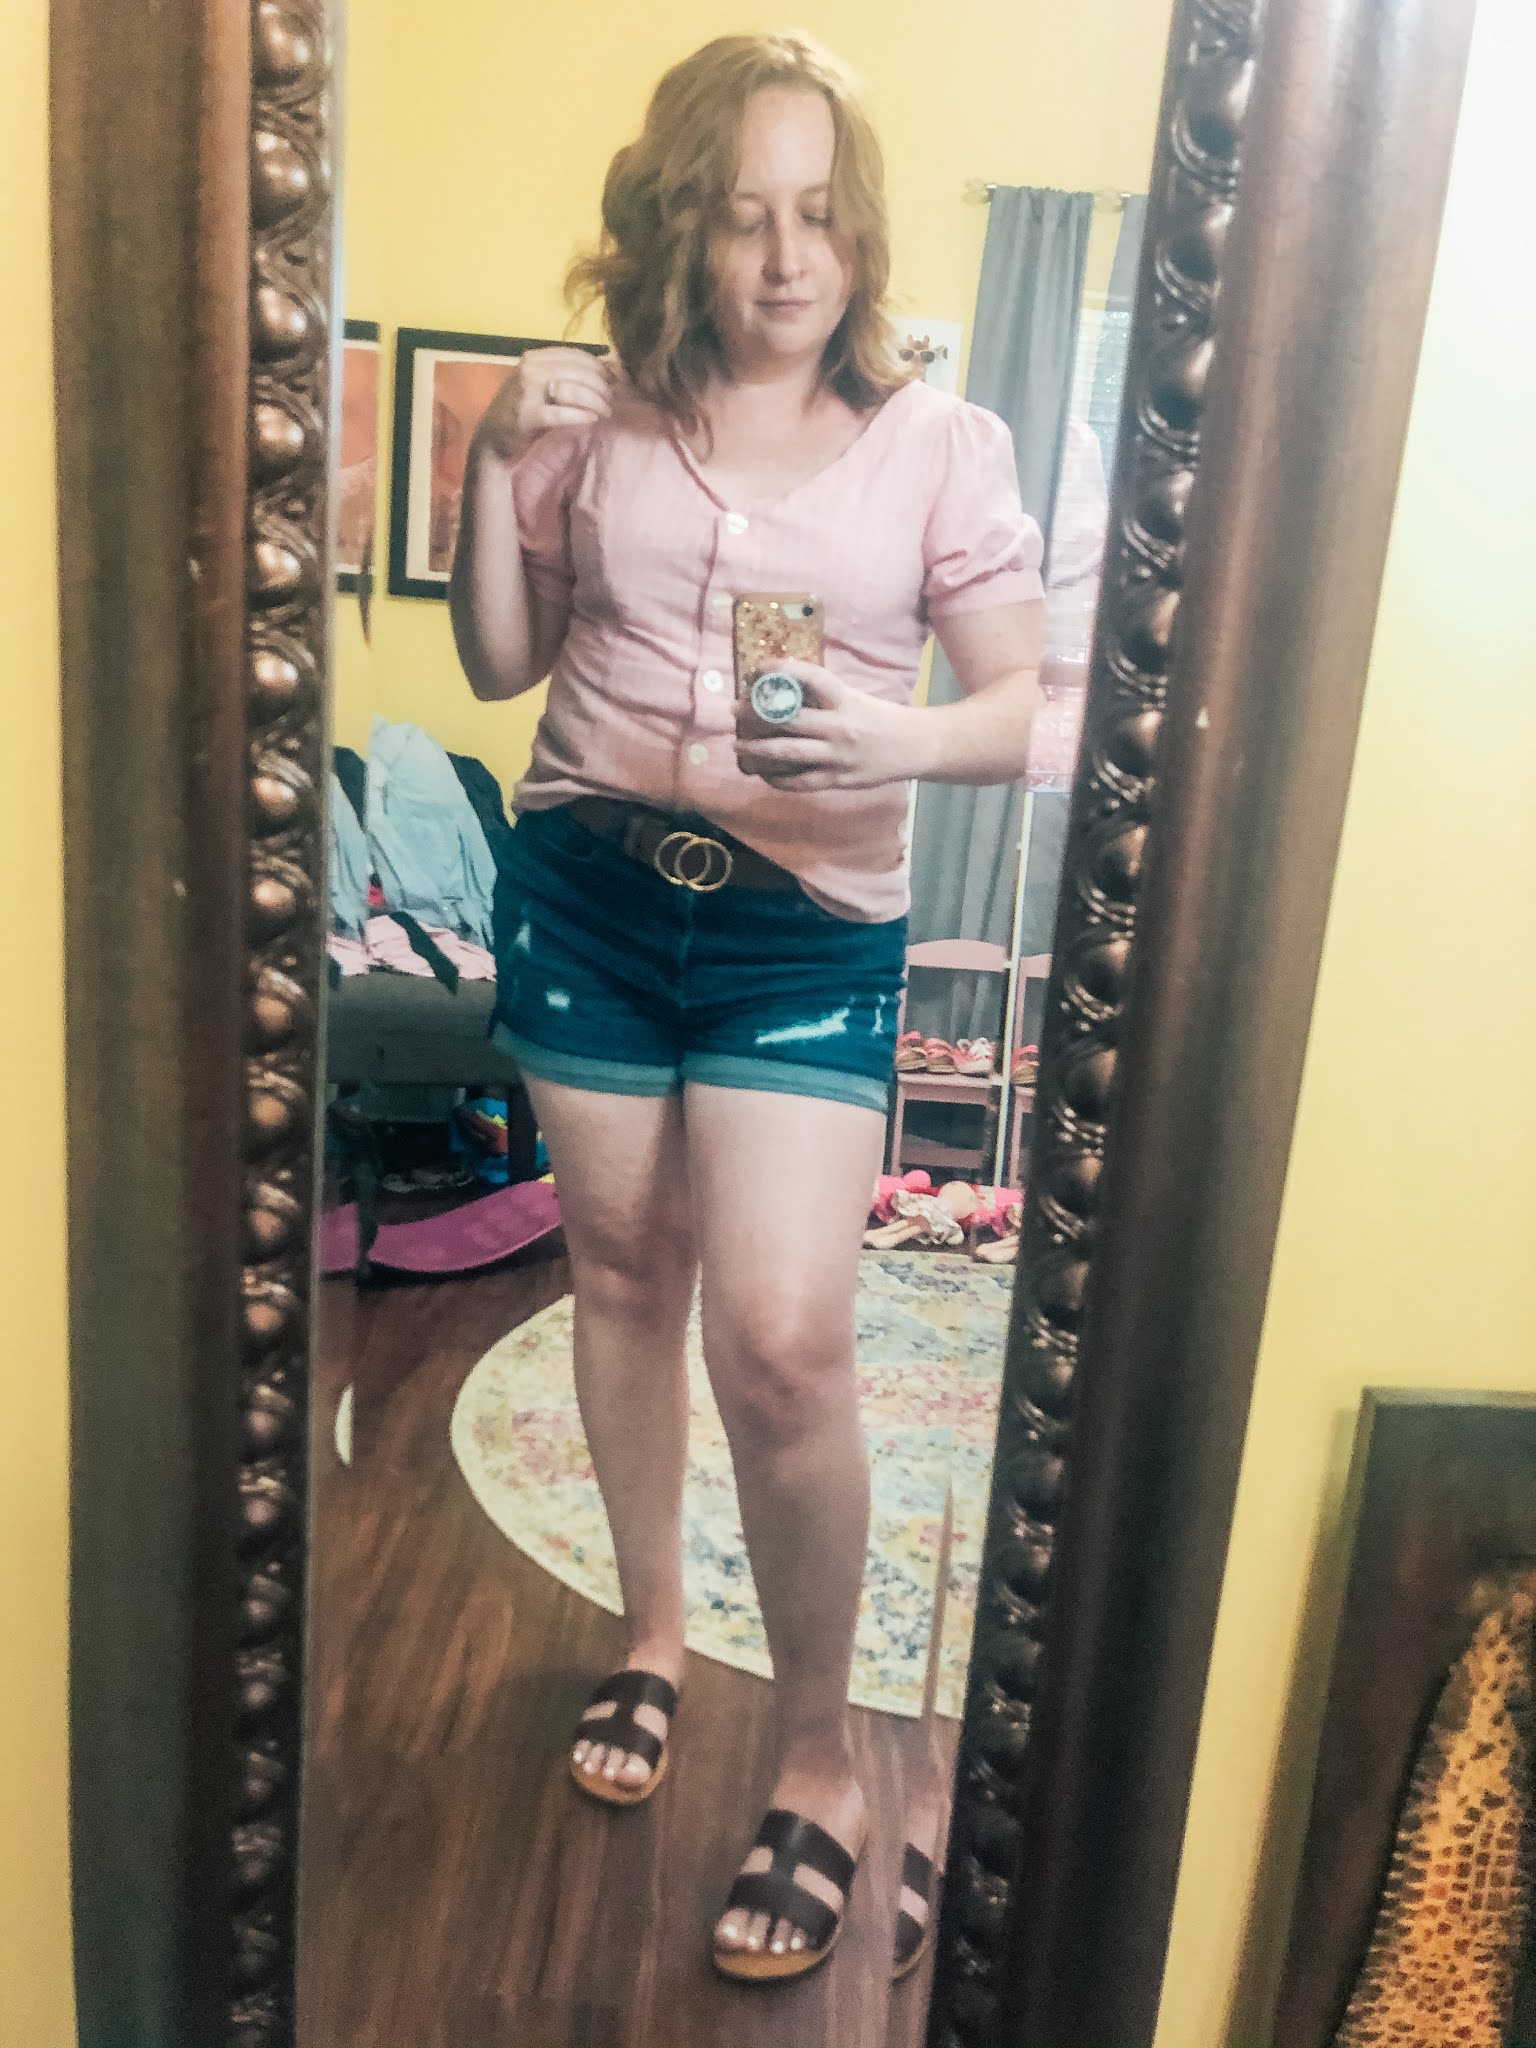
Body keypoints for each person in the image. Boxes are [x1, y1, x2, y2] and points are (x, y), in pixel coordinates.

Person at [448, 30, 1044, 1984]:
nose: (786, 259)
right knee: (623, 1278)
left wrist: (896, 735)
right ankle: (648, 1636)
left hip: (805, 928)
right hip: (589, 895)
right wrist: (489, 463)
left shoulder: (938, 444)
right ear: (678, 229)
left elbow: (1027, 708)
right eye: (740, 216)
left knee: (784, 1340)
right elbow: (501, 661)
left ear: (856, 232)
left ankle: (823, 1759)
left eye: (816, 216)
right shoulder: (597, 419)